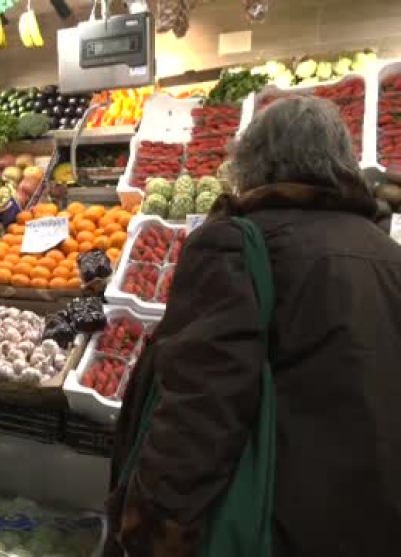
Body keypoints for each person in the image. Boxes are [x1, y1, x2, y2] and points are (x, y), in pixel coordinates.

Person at [105, 96, 401, 556]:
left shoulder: (236, 246)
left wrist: (153, 526)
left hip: (275, 519)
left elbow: (200, 404)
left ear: (251, 163)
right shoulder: (390, 256)